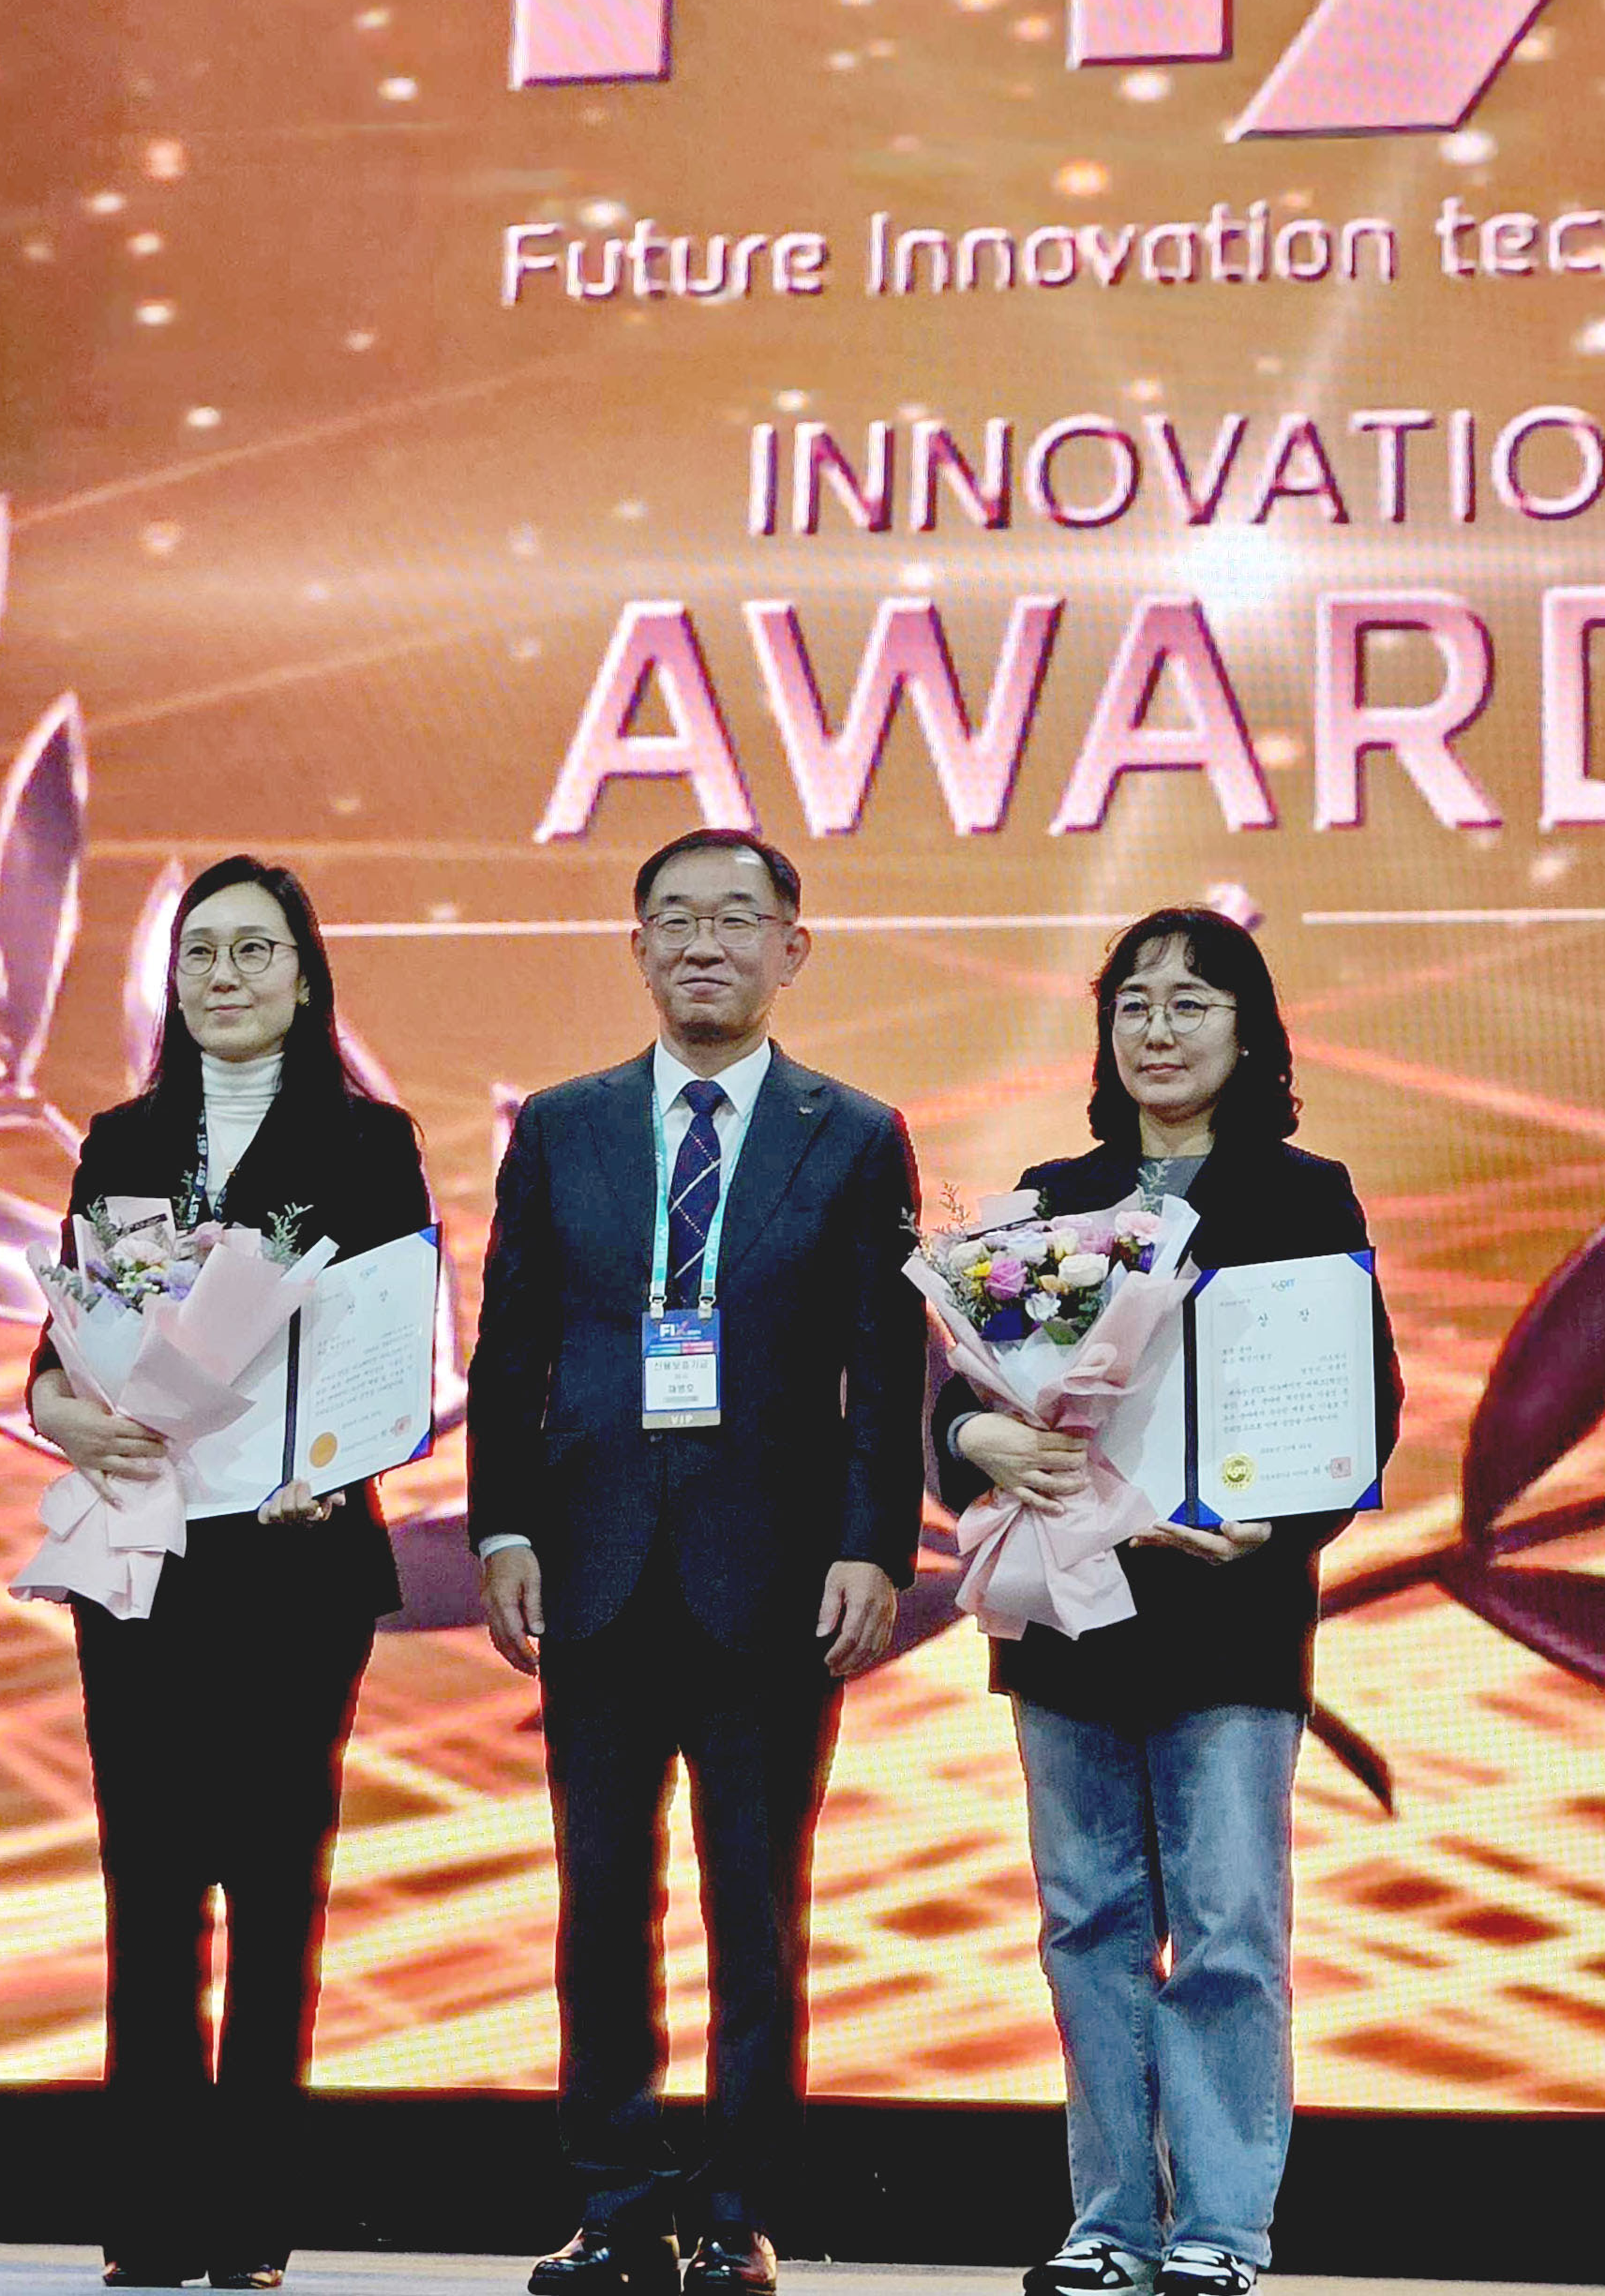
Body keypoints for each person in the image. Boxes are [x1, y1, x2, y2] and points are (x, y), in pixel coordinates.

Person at [465, 830, 923, 2296]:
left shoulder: (857, 1133)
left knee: (756, 1908)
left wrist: (874, 1547)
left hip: (774, 1579)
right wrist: (502, 1526)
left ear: (793, 947)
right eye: (674, 919)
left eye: (736, 917)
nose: (703, 943)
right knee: (602, 1900)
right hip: (594, 1568)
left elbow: (883, 1365)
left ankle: (737, 2210)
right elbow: (511, 1346)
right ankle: (615, 2203)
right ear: (638, 948)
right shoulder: (564, 1125)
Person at [933, 907, 1403, 2296]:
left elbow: (1360, 1402)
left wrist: (1280, 1523)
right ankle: (1111, 2221)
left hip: (1229, 1616)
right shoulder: (1050, 1197)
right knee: (1085, 1922)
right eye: (1134, 1002)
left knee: (1227, 1928)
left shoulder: (1304, 1196)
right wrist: (975, 1437)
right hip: (1073, 1611)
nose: (1158, 1027)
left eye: (1192, 1002)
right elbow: (961, 1396)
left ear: (1248, 1034)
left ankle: (1221, 2229)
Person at [27, 855, 429, 2291]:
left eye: (256, 949)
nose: (226, 974)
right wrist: (61, 1413)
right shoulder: (122, 1140)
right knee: (147, 1887)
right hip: (143, 1555)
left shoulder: (367, 1142)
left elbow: (390, 1341)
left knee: (271, 1886)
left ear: (305, 977)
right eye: (202, 950)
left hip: (292, 1562)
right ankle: (151, 2219)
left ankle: (249, 2220)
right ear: (174, 977)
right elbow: (57, 1349)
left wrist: (340, 1455)